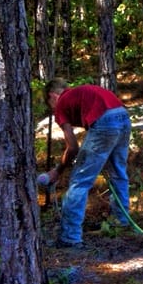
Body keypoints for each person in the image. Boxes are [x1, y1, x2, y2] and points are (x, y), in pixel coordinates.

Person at [43, 78, 131, 248]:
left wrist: (58, 171)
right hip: (123, 117)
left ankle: (70, 237)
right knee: (118, 173)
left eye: (50, 104)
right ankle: (121, 222)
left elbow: (73, 147)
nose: (53, 110)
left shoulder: (61, 103)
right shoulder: (80, 94)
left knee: (79, 180)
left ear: (53, 96)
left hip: (105, 122)